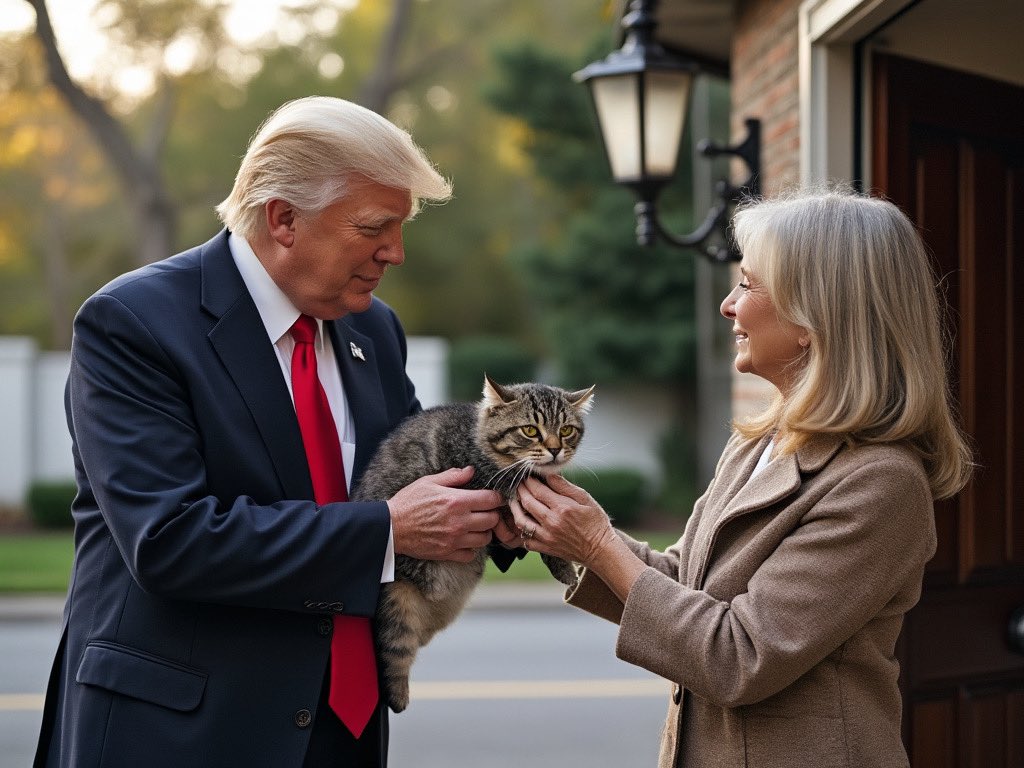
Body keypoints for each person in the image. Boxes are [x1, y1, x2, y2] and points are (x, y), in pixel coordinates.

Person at [35, 96, 512, 768]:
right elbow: (171, 540)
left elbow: (420, 484)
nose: (396, 253)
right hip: (177, 736)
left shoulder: (374, 330)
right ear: (283, 219)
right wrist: (386, 531)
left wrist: (502, 503)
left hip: (340, 734)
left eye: (400, 228)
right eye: (374, 226)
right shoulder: (133, 324)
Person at [497, 189, 973, 768]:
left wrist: (597, 541)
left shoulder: (881, 484)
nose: (728, 305)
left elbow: (738, 656)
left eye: (747, 283)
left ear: (813, 315)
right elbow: (686, 584)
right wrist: (562, 531)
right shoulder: (758, 442)